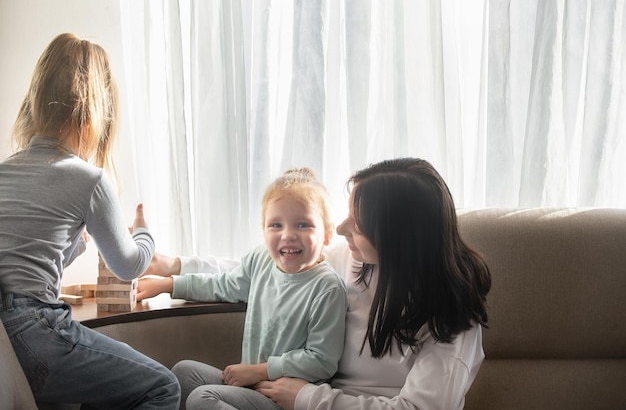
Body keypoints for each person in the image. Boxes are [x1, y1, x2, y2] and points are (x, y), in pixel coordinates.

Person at [145, 157, 491, 410]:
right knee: (183, 376)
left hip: (314, 401)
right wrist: (173, 268)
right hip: (291, 392)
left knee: (204, 399)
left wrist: (307, 397)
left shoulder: (453, 322)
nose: (340, 229)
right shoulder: (354, 260)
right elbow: (273, 268)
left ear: (399, 237)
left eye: (358, 222)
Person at [0, 33, 180, 408]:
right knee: (163, 387)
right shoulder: (89, 178)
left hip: (6, 337)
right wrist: (143, 231)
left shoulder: (5, 172)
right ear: (95, 111)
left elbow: (18, 262)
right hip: (37, 330)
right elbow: (128, 265)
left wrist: (73, 246)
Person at [137, 167, 348, 410]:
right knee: (183, 373)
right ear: (264, 230)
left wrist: (259, 371)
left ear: (327, 234)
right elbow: (222, 285)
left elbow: (322, 361)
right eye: (276, 225)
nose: (288, 235)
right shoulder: (261, 260)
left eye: (303, 225)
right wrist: (169, 284)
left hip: (284, 399)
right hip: (253, 387)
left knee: (202, 398)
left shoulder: (327, 287)